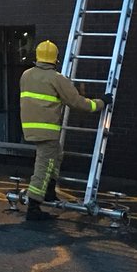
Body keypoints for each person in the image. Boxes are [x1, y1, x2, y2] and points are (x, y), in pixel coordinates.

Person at [20, 39, 112, 221]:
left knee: (56, 155)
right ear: (55, 59)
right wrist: (101, 102)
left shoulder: (26, 75)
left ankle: (49, 192)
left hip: (31, 127)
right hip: (48, 130)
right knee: (44, 166)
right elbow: (78, 103)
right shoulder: (57, 79)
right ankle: (34, 207)